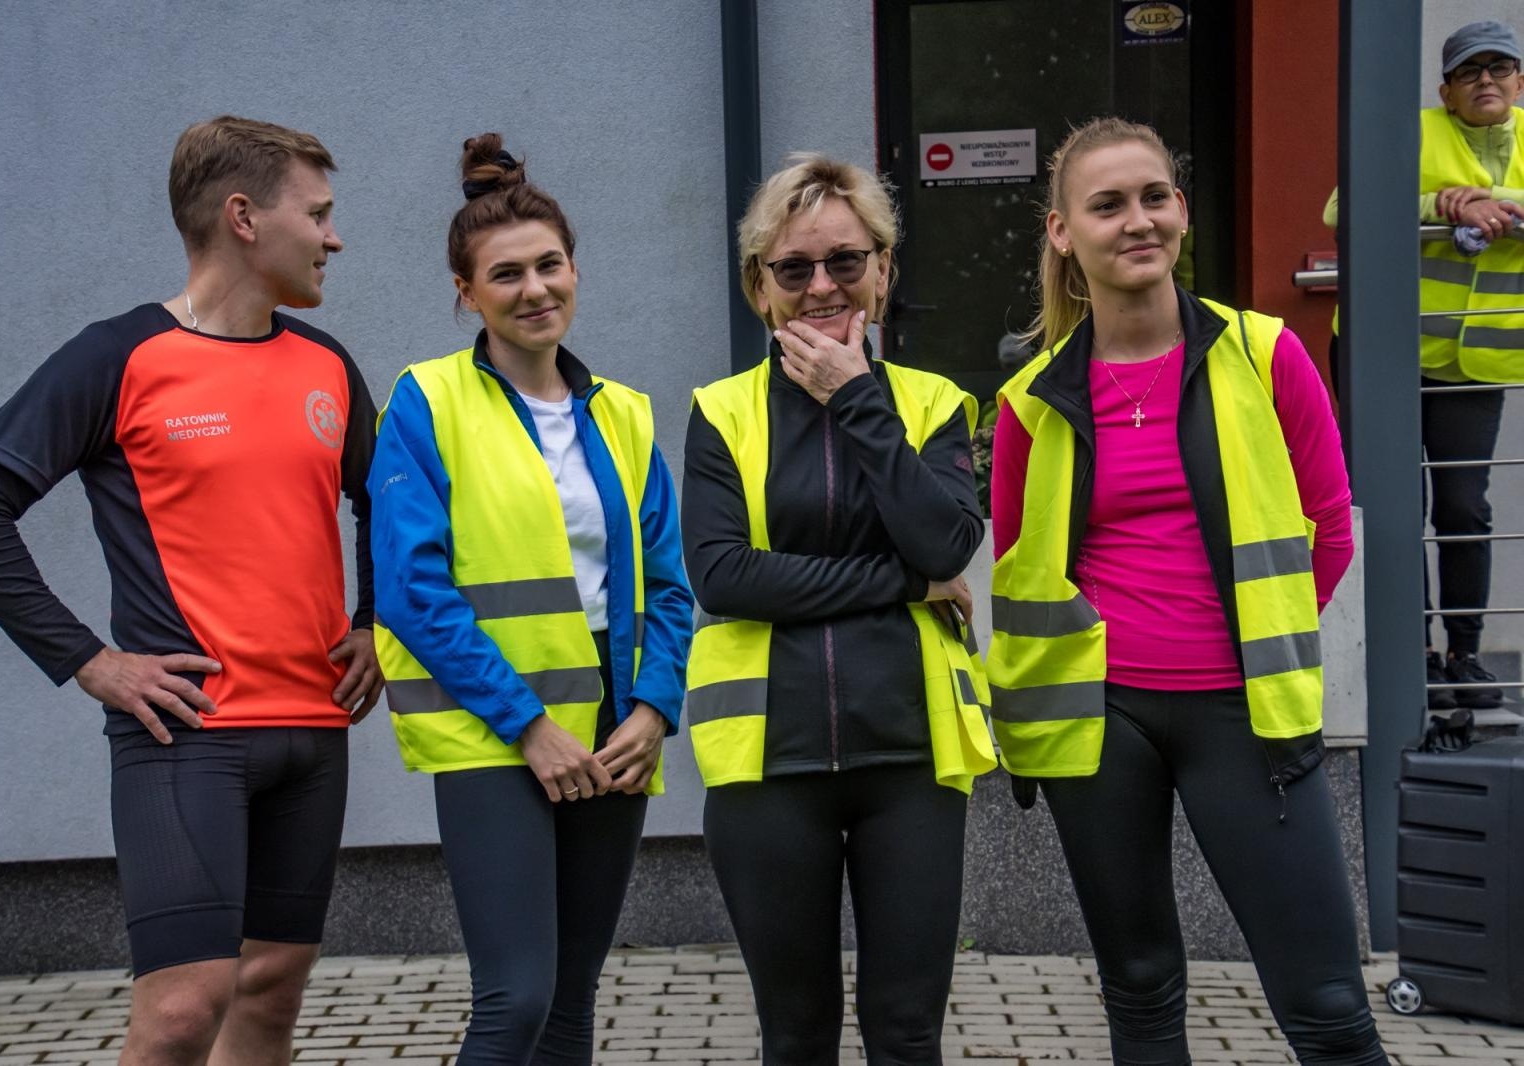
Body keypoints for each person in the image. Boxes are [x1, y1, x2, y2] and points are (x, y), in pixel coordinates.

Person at [0, 116, 381, 1065]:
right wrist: (89, 661)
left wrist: (375, 623)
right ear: (244, 216)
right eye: (320, 214)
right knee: (182, 1011)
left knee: (271, 994)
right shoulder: (117, 357)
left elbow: (387, 506)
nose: (335, 237)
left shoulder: (329, 366)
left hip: (314, 729)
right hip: (186, 736)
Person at [989, 117, 1387, 1066]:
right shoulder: (1030, 400)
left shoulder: (1264, 354)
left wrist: (1260, 637)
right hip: (1100, 722)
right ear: (1062, 232)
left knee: (1328, 1004)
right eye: (1109, 204)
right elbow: (1023, 563)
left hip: (1242, 713)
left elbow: (1328, 530)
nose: (1139, 220)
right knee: (1139, 994)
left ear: (1179, 211)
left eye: (1155, 196)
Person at [368, 133, 693, 1065]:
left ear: (576, 270)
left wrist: (654, 707)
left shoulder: (624, 413)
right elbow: (412, 591)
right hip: (494, 728)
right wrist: (529, 725)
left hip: (612, 722)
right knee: (517, 997)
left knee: (571, 1003)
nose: (535, 288)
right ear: (466, 294)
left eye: (550, 264)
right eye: (505, 274)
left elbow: (668, 586)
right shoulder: (425, 402)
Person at [682, 154, 995, 1064]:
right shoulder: (723, 411)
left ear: (885, 270)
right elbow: (725, 576)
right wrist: (897, 583)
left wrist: (857, 398)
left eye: (846, 262)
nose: (822, 286)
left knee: (905, 1033)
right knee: (797, 1034)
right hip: (768, 769)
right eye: (794, 269)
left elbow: (944, 544)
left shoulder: (933, 404)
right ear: (760, 288)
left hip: (911, 759)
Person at [1323, 19, 1524, 710]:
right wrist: (1436, 203)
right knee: (1391, 508)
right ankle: (1408, 656)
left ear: (1520, 83)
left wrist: (1508, 211)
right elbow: (1339, 208)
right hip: (1384, 356)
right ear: (1447, 90)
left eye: (1500, 69)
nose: (1487, 81)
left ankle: (1463, 657)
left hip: (1473, 363)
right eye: (1471, 72)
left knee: (1464, 509)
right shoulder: (1411, 129)